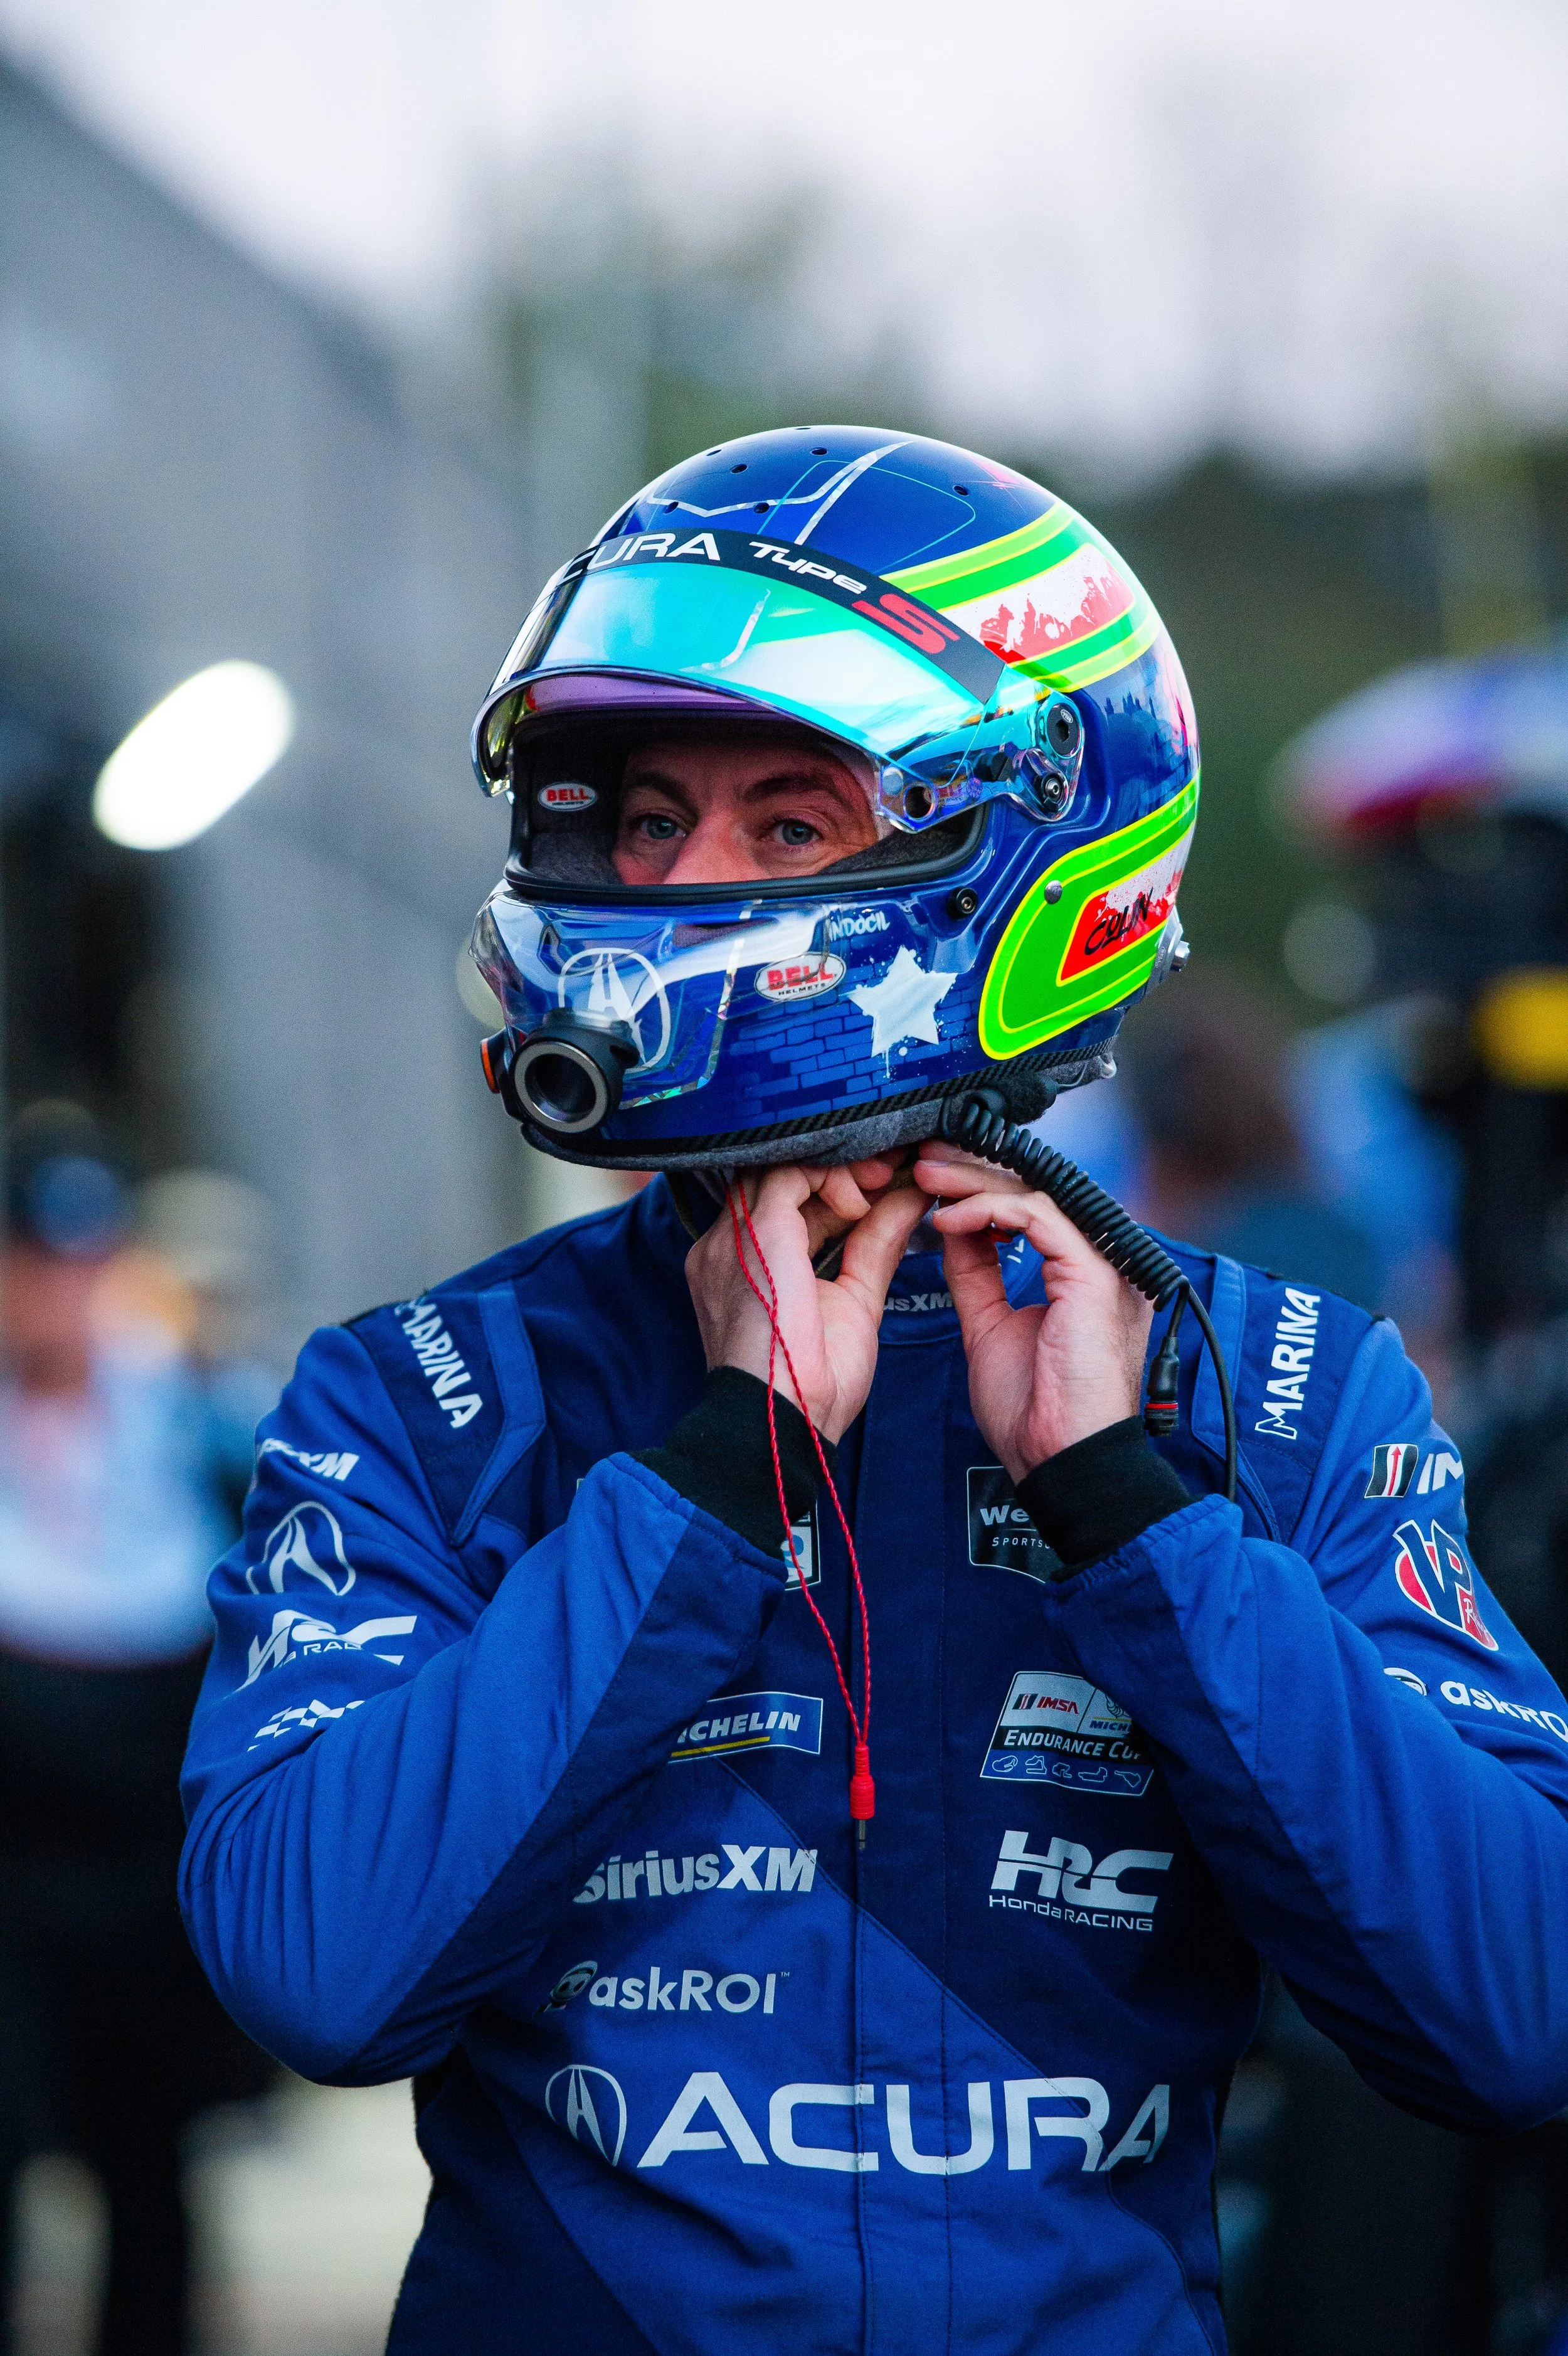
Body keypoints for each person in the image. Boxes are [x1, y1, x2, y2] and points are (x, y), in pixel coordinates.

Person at [180, 429, 1568, 2355]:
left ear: (1019, 840)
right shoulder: (428, 1394)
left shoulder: (1276, 1388)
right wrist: (711, 1474)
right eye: (642, 816)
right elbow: (318, 1973)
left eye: (788, 821)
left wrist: (1129, 1507)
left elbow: (1521, 2013)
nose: (676, 879)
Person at [0, 1114, 272, 2356]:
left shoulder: (196, 1416)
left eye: (81, 1258)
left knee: (148, 2159)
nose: (59, 1289)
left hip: (139, 1844)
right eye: (33, 1258)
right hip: (16, 1855)